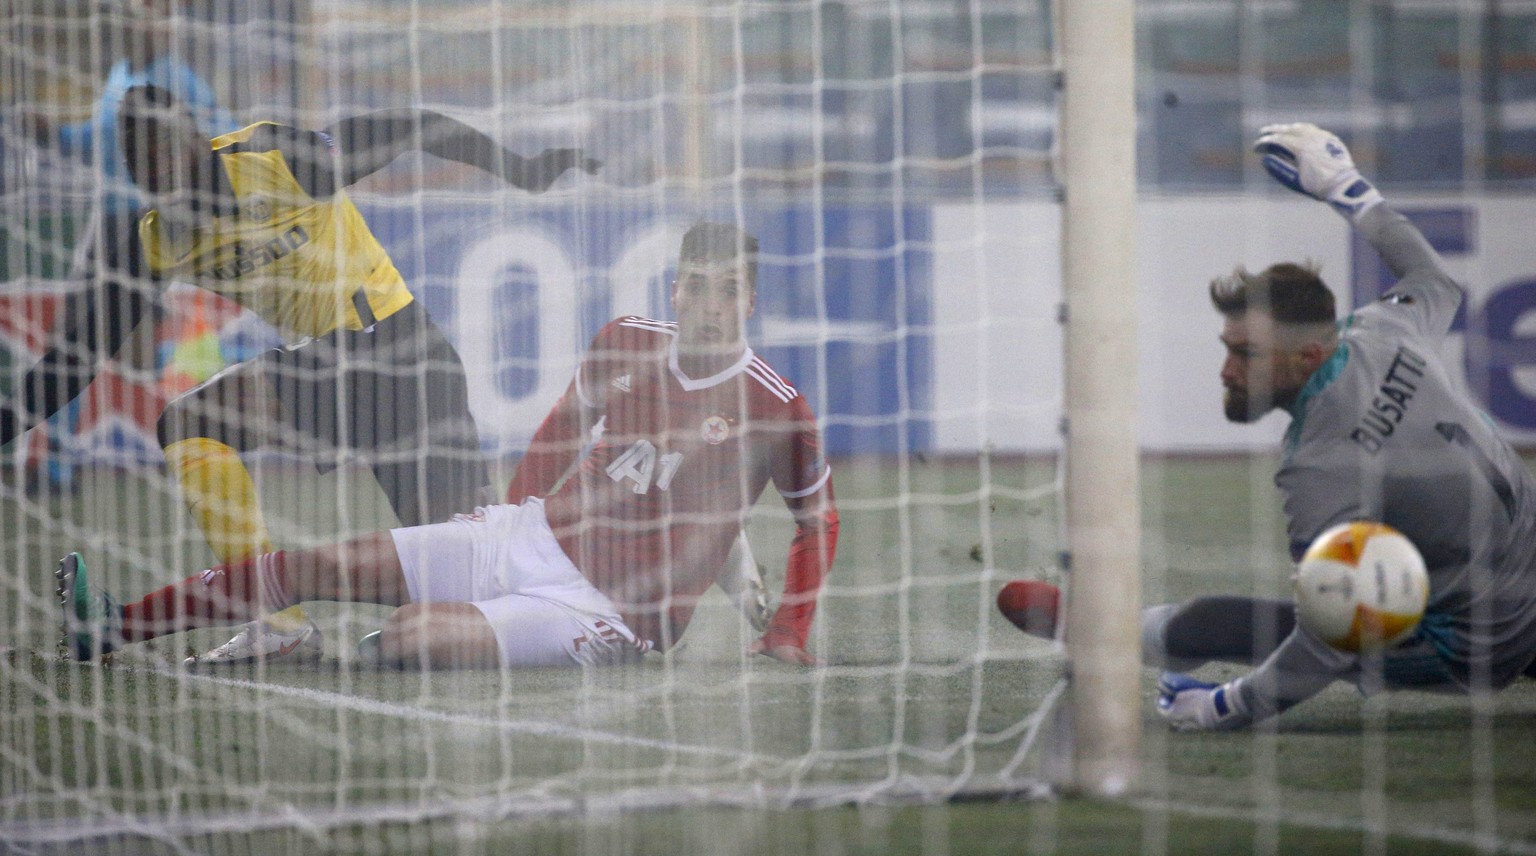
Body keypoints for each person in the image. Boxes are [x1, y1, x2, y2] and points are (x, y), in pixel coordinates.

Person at [57, 222, 840, 668]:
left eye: (727, 290)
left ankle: (435, 635)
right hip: (532, 537)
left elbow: (820, 522)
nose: (709, 304)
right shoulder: (627, 341)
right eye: (696, 285)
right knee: (322, 565)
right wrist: (518, 510)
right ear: (675, 288)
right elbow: (565, 422)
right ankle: (116, 625)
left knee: (412, 639)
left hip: (610, 611)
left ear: (751, 299)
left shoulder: (778, 410)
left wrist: (786, 635)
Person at [6, 81, 599, 665]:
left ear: (196, 137)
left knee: (474, 581)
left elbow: (414, 125)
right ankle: (278, 623)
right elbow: (71, 362)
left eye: (165, 149)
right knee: (189, 423)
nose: (157, 169)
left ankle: (590, 610)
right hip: (329, 375)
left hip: (403, 358)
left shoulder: (277, 160)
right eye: (141, 161)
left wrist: (519, 168)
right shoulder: (155, 243)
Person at [999, 123, 1536, 730]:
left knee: (1216, 624)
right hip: (1527, 577)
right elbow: (1436, 280)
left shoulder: (1322, 464)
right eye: (1227, 347)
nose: (1226, 371)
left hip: (1471, 645)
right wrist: (1345, 187)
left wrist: (1226, 705)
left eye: (1247, 354)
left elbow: (1332, 641)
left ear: (1306, 356)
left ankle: (1093, 630)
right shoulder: (1383, 331)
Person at [16, 0, 238, 495]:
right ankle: (55, 465)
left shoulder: (179, 83)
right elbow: (98, 144)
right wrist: (53, 134)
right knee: (76, 341)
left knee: (115, 349)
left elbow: (223, 139)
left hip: (146, 224)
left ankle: (198, 420)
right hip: (108, 221)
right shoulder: (120, 75)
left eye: (156, 10)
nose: (142, 17)